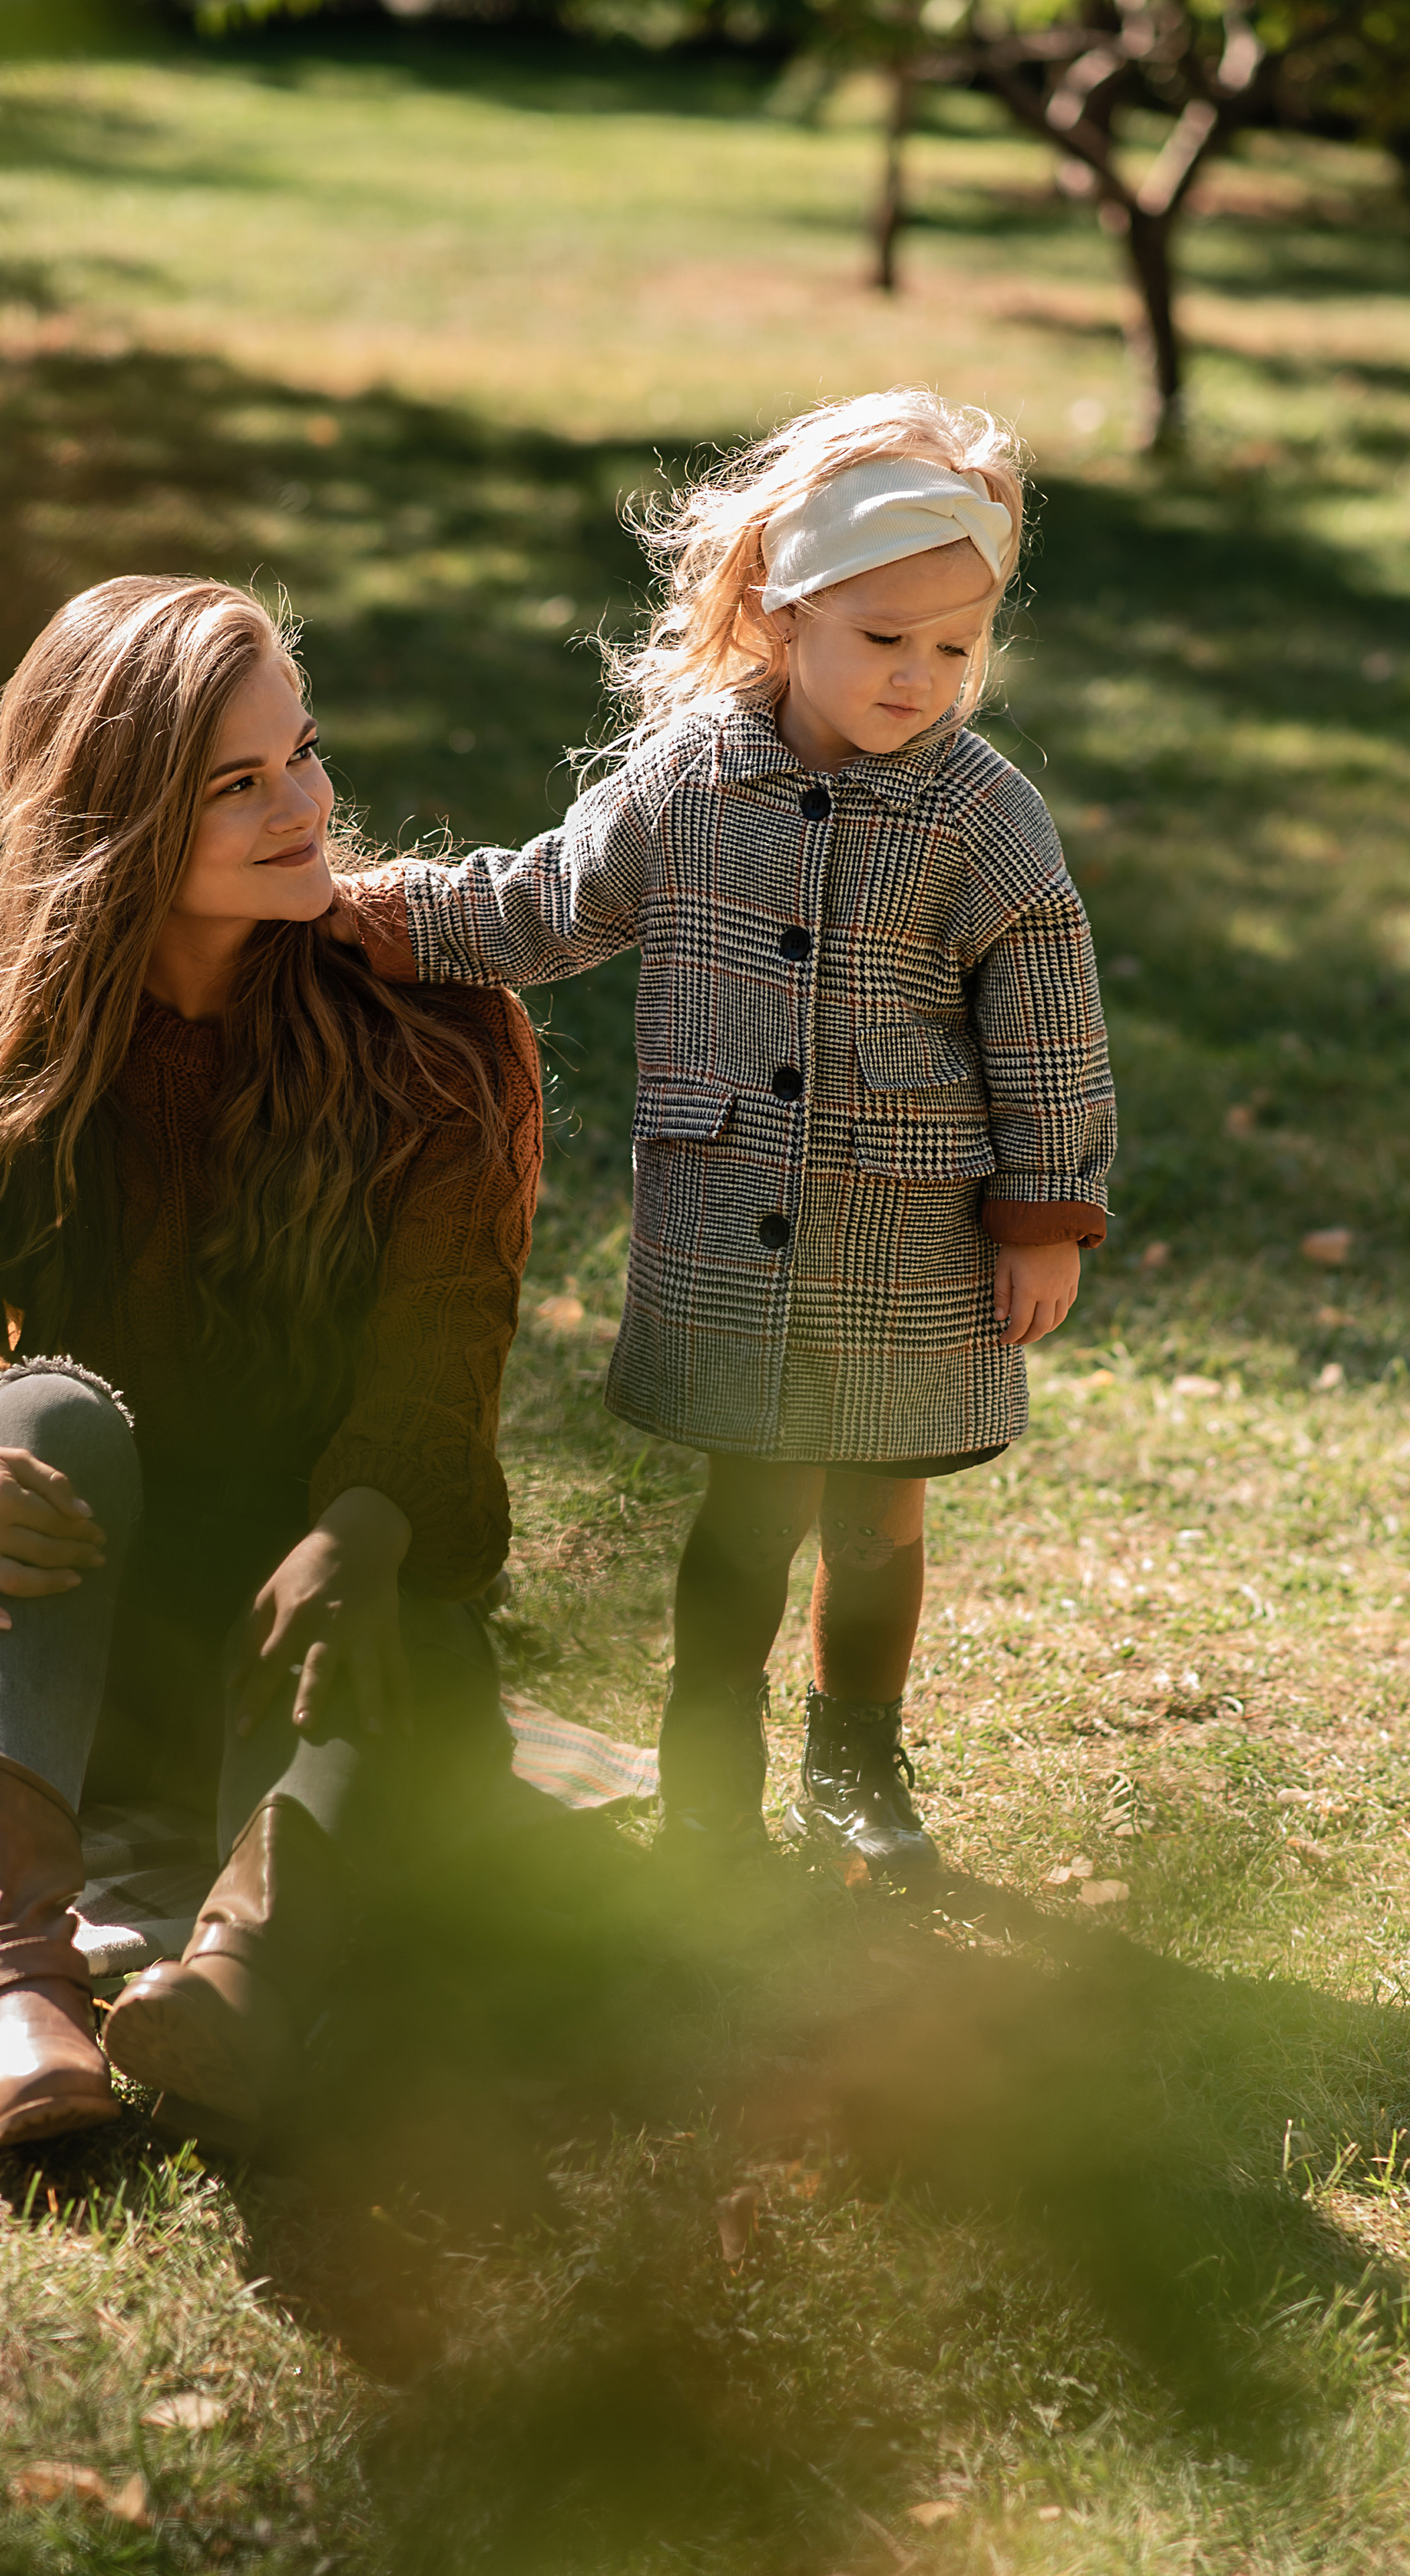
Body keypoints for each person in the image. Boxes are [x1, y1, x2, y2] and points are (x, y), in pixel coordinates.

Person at [339, 388, 1116, 1881]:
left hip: (907, 1232)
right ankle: (709, 1764)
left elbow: (1048, 1020)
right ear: (780, 609)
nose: (916, 678)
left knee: (879, 1515)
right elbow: (544, 902)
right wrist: (371, 914)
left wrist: (1042, 1210)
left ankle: (855, 1764)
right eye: (881, 639)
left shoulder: (979, 815)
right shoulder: (692, 777)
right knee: (746, 1510)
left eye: (951, 649)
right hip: (732, 1224)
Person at [0, 575, 542, 2154]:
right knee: (44, 1409)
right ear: (119, 816)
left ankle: (243, 1979)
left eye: (304, 751)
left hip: (315, 1621)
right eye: (238, 782)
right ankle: (10, 1982)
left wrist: (362, 1531)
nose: (305, 806)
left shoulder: (435, 1028)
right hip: (55, 1631)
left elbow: (443, 1336)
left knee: (410, 1617)